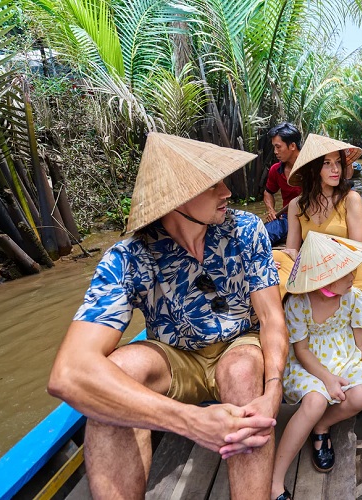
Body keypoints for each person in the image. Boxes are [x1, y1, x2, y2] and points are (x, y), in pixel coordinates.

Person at [47, 132, 288, 500]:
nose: (227, 192)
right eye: (212, 185)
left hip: (239, 343)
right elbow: (68, 374)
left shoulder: (245, 230)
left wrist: (273, 390)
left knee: (240, 371)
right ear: (176, 200)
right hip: (176, 357)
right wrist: (190, 422)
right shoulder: (128, 256)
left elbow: (271, 318)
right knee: (114, 377)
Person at [270, 231, 362, 500]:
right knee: (315, 401)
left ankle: (320, 426)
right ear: (323, 279)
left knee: (361, 395)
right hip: (308, 362)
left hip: (342, 355)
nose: (353, 278)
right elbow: (301, 350)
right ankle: (275, 479)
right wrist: (327, 379)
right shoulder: (298, 304)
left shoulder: (354, 297)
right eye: (345, 274)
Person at [273, 133, 362, 299]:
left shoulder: (351, 199)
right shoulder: (297, 205)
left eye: (338, 162)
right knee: (275, 258)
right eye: (327, 163)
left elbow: (356, 252)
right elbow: (292, 251)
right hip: (312, 270)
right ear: (313, 168)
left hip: (345, 273)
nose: (336, 169)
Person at [264, 122, 302, 245]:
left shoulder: (312, 166)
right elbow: (268, 192)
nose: (275, 152)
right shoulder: (275, 169)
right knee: (262, 235)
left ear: (292, 146)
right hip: (287, 218)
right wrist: (271, 211)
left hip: (313, 217)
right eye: (274, 147)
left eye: (278, 147)